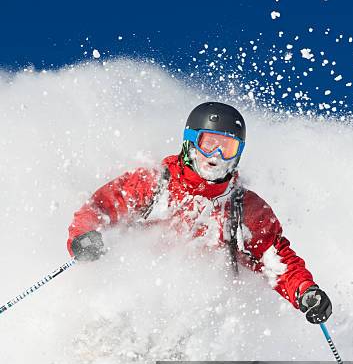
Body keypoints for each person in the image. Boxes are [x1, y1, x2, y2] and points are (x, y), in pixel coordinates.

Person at [67, 102, 332, 324]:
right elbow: (100, 207)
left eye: (227, 148)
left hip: (196, 315)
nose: (216, 155)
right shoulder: (153, 183)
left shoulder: (245, 208)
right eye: (209, 144)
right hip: (128, 298)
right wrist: (84, 236)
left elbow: (276, 258)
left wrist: (304, 291)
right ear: (191, 143)